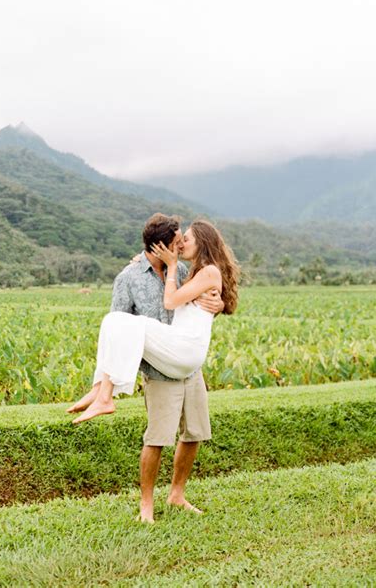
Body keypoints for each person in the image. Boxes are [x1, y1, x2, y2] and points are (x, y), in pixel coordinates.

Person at [68, 214, 239, 522]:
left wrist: (221, 304)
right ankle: (146, 504)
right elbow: (120, 330)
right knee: (157, 438)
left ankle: (176, 494)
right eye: (177, 242)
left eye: (184, 240)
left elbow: (211, 290)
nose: (182, 244)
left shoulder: (186, 268)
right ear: (160, 247)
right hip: (161, 369)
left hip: (187, 363)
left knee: (194, 433)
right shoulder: (129, 277)